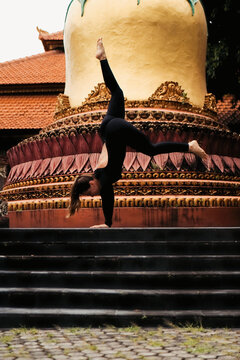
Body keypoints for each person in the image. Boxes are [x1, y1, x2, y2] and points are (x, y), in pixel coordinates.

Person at [68, 38, 207, 228]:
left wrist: (107, 223)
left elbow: (108, 200)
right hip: (107, 127)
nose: (94, 196)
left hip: (115, 130)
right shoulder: (100, 174)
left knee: (150, 149)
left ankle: (189, 146)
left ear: (92, 184)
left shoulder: (104, 178)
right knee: (116, 92)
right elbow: (107, 198)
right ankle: (102, 58)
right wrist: (106, 224)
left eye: (90, 194)